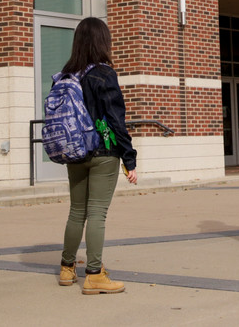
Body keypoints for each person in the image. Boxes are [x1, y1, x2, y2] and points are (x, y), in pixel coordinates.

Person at [58, 17, 138, 294]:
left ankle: (67, 269)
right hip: (103, 151)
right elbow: (115, 119)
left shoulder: (68, 74)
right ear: (103, 42)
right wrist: (129, 158)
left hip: (74, 151)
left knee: (76, 211)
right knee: (97, 214)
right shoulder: (104, 74)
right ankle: (94, 274)